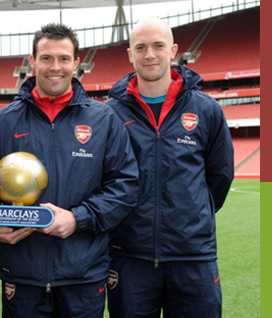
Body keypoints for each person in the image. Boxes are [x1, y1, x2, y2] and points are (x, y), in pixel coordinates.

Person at [0, 23, 140, 318]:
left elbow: (125, 185)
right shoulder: (3, 121)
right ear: (32, 61)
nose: (55, 67)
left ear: (77, 63)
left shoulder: (104, 120)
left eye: (64, 58)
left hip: (83, 275)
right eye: (47, 58)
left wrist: (78, 219)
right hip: (23, 274)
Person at [104, 17, 235, 318]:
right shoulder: (109, 114)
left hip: (192, 257)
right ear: (130, 54)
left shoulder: (206, 109)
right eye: (141, 47)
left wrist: (189, 216)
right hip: (129, 256)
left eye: (158, 46)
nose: (150, 54)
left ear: (173, 50)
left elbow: (220, 177)